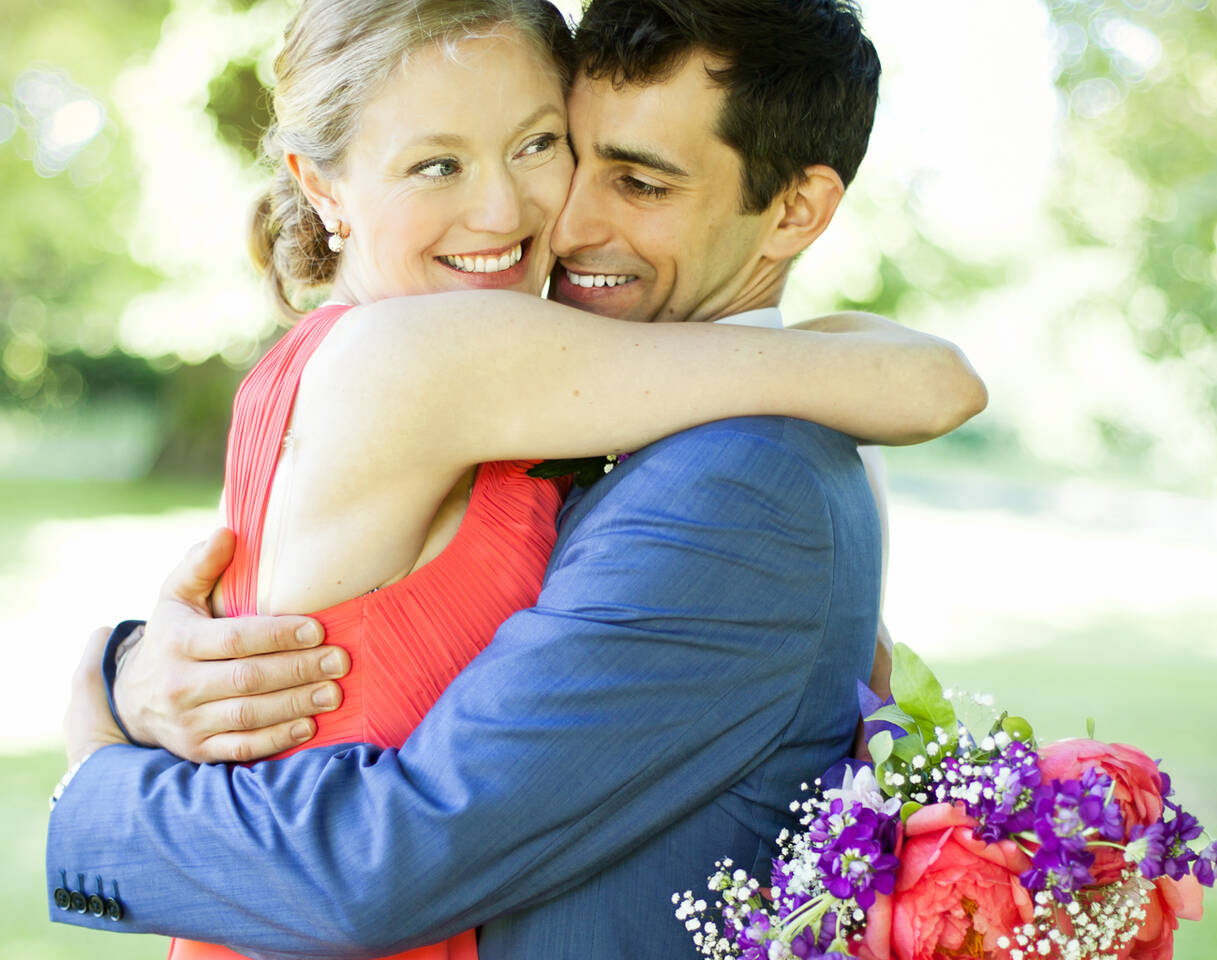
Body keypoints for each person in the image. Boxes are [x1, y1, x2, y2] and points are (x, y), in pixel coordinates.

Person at [49, 1, 986, 958]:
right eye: (437, 165)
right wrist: (108, 734)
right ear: (320, 185)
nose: (537, 218)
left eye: (542, 146)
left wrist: (117, 676)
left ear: (796, 209)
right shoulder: (432, 355)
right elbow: (921, 384)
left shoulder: (692, 452)